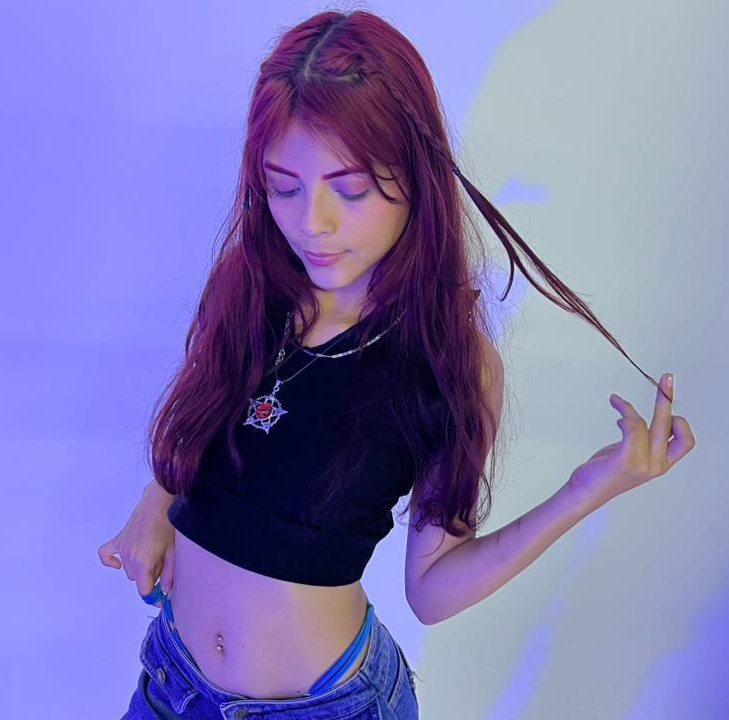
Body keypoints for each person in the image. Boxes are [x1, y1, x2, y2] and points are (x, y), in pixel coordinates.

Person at [98, 9, 696, 719]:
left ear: (414, 173)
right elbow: (213, 433)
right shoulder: (249, 285)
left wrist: (587, 490)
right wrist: (158, 498)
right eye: (284, 186)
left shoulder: (446, 361)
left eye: (350, 190)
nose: (312, 222)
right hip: (171, 685)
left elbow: (432, 589)